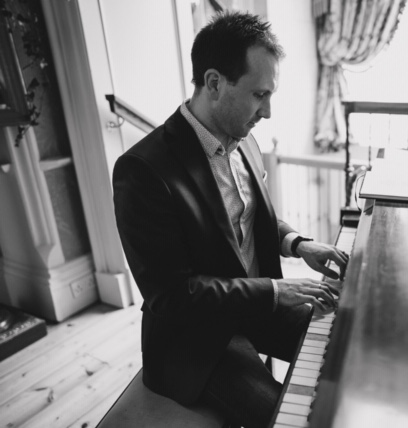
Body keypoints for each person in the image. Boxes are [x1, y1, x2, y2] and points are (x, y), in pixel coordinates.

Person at [112, 12, 348, 428]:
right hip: (196, 343)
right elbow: (172, 296)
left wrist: (298, 244)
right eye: (259, 95)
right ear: (215, 83)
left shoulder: (245, 140)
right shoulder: (142, 170)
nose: (268, 111)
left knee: (344, 343)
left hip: (257, 308)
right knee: (290, 417)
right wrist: (276, 290)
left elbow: (251, 218)